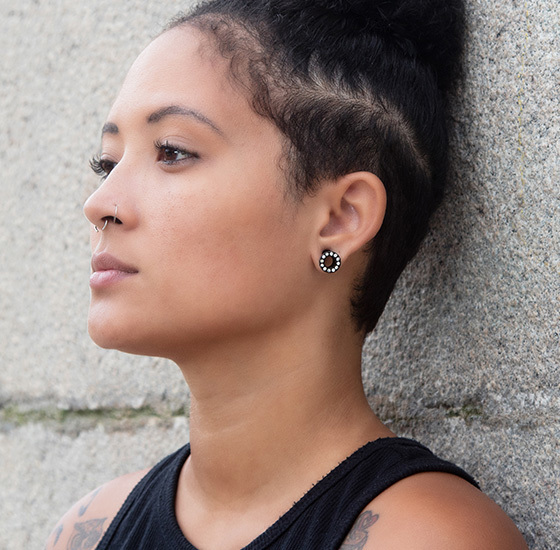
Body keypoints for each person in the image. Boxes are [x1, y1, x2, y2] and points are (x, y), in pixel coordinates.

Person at [48, 0, 528, 548]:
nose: (100, 203)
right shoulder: (89, 531)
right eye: (107, 163)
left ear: (339, 218)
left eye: (173, 152)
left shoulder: (427, 537)